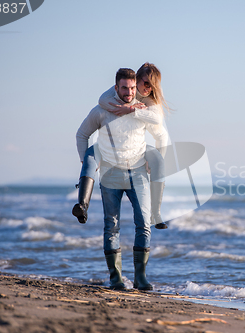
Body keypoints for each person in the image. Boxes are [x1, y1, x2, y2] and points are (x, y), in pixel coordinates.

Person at [75, 68, 165, 290]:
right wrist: (87, 163)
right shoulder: (103, 110)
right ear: (116, 87)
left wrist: (153, 163)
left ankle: (140, 278)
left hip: (138, 174)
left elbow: (161, 135)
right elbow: (82, 134)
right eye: (124, 87)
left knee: (144, 224)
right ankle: (116, 279)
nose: (129, 92)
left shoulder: (142, 110)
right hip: (110, 175)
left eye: (133, 88)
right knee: (111, 226)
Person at [72, 63, 170, 230]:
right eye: (145, 83)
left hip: (135, 151)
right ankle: (82, 206)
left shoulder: (148, 102)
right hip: (108, 151)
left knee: (159, 162)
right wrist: (121, 108)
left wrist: (131, 110)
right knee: (89, 156)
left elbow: (159, 127)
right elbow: (101, 100)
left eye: (152, 86)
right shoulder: (112, 97)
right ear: (135, 80)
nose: (148, 88)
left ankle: (156, 213)